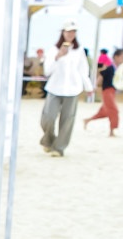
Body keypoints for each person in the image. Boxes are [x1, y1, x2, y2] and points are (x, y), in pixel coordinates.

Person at [39, 23, 90, 157]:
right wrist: (58, 56)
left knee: (67, 120)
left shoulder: (79, 50)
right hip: (55, 88)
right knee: (48, 117)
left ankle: (59, 148)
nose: (70, 34)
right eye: (68, 31)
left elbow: (83, 69)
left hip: (73, 89)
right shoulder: (53, 49)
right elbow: (47, 70)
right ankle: (48, 140)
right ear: (63, 32)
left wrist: (88, 86)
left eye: (73, 31)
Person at [83, 47, 123, 136]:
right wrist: (95, 86)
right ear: (116, 57)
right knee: (114, 110)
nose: (122, 59)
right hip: (107, 91)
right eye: (122, 57)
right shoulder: (110, 67)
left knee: (105, 111)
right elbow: (101, 75)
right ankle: (112, 131)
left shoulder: (116, 68)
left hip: (112, 91)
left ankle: (87, 120)